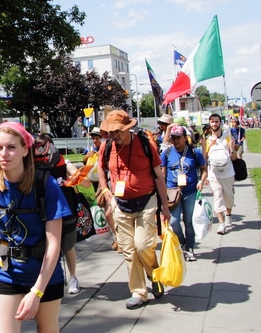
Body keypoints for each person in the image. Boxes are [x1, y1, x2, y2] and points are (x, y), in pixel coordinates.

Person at [0, 122, 71, 333]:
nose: (3, 154)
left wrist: (37, 292)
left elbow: (54, 243)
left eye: (11, 147)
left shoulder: (46, 185)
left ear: (25, 150)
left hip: (44, 274)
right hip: (5, 272)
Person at [97, 110, 171, 310]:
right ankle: (139, 292)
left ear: (128, 128)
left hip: (146, 202)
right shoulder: (107, 146)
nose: (114, 135)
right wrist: (105, 190)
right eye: (111, 132)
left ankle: (154, 275)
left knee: (143, 246)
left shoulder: (146, 144)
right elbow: (100, 168)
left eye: (118, 132)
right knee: (129, 250)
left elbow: (158, 176)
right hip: (120, 205)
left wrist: (165, 206)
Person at [32, 133, 83, 295]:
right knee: (46, 245)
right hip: (42, 211)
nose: (44, 152)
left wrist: (73, 177)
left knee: (67, 246)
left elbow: (84, 181)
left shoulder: (62, 162)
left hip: (65, 210)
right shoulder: (33, 165)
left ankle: (72, 277)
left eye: (47, 147)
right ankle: (48, 279)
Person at [160, 126, 208, 261]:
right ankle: (182, 242)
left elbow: (204, 169)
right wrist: (162, 188)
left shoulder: (194, 152)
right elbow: (162, 172)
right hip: (172, 192)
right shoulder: (167, 153)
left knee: (189, 220)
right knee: (173, 221)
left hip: (190, 191)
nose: (175, 141)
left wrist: (201, 181)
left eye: (178, 138)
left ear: (184, 138)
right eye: (173, 138)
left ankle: (190, 247)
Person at [81, 127, 118, 251]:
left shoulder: (108, 149)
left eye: (97, 138)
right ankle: (117, 237)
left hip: (109, 185)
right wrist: (86, 158)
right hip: (97, 185)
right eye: (94, 138)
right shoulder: (90, 150)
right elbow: (85, 168)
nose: (95, 141)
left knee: (110, 213)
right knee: (107, 213)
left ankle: (118, 238)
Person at [204, 113, 235, 235]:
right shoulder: (206, 140)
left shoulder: (227, 138)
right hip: (213, 174)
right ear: (209, 123)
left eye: (216, 122)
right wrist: (205, 175)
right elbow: (204, 158)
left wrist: (232, 149)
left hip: (227, 173)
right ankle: (221, 224)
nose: (214, 124)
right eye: (212, 122)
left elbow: (233, 158)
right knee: (217, 197)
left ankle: (228, 215)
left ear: (220, 123)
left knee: (229, 197)